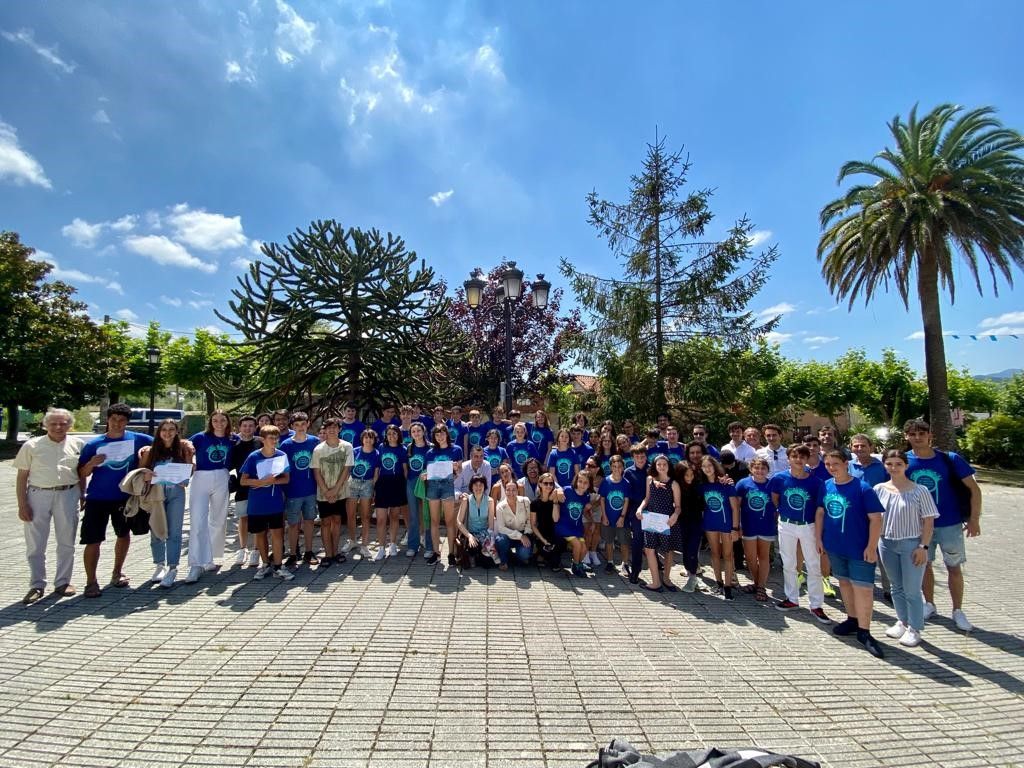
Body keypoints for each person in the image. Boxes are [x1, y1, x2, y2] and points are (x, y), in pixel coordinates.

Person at [904, 418, 982, 632]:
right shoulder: (903, 460)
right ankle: (929, 604)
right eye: (913, 434)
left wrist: (974, 519)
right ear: (906, 437)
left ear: (930, 436)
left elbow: (974, 489)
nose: (917, 437)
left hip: (949, 523)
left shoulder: (950, 459)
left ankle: (958, 610)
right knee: (924, 566)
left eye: (922, 433)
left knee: (954, 567)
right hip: (918, 526)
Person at [78, 403, 154, 598]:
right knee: (93, 540)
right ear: (108, 420)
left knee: (123, 535)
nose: (117, 424)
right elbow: (81, 472)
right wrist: (91, 465)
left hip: (124, 498)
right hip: (97, 498)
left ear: (127, 422)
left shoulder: (139, 439)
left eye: (122, 420)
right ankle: (91, 581)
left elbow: (164, 443)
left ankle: (117, 572)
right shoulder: (94, 444)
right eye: (114, 420)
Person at [817, 450, 884, 657]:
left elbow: (876, 519)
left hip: (859, 547)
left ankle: (865, 631)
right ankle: (852, 619)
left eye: (835, 463)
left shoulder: (862, 489)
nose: (831, 467)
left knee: (863, 589)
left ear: (846, 463)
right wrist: (819, 539)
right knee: (844, 583)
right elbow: (821, 512)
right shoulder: (826, 485)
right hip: (835, 546)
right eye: (827, 464)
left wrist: (872, 546)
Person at [14, 408, 84, 604]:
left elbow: (81, 473)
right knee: (36, 543)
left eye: (63, 423)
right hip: (38, 495)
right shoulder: (32, 445)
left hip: (68, 494)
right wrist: (22, 505)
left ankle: (63, 582)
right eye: (53, 423)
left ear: (70, 425)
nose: (58, 427)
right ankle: (37, 584)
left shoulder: (77, 444)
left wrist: (82, 494)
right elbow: (21, 477)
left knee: (66, 542)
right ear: (45, 425)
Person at [769, 444, 829, 622]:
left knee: (813, 564)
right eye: (794, 456)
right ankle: (792, 598)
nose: (798, 460)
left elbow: (819, 506)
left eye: (802, 457)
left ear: (806, 459)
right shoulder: (779, 478)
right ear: (788, 458)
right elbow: (775, 498)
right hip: (786, 524)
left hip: (808, 525)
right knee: (788, 562)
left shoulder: (815, 481)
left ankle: (816, 604)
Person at [139, 418, 195, 589]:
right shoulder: (151, 451)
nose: (168, 433)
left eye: (172, 429)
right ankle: (159, 565)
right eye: (164, 429)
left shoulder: (183, 449)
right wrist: (148, 476)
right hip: (157, 493)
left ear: (177, 432)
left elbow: (189, 470)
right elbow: (141, 473)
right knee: (156, 529)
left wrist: (187, 470)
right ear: (159, 432)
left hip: (176, 492)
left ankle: (172, 567)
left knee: (174, 531)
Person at [239, 425, 294, 581]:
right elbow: (243, 481)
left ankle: (278, 565)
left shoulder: (281, 455)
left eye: (276, 438)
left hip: (275, 502)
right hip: (257, 504)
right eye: (271, 438)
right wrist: (261, 481)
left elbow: (286, 478)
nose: (274, 441)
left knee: (277, 533)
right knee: (260, 534)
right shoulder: (254, 456)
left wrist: (274, 480)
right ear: (263, 440)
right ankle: (265, 565)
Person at [186, 409, 234, 583]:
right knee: (198, 520)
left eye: (222, 420)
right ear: (210, 422)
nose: (219, 423)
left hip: (222, 475)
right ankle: (195, 564)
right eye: (215, 420)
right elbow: (185, 447)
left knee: (219, 519)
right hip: (202, 476)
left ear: (228, 422)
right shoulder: (200, 437)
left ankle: (210, 557)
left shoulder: (231, 439)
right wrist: (190, 462)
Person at [635, 455, 682, 592]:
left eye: (664, 464)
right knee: (649, 549)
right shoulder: (649, 479)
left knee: (667, 551)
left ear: (668, 466)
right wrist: (640, 508)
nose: (661, 467)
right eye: (658, 464)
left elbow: (678, 506)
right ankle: (656, 581)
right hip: (651, 518)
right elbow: (647, 498)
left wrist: (675, 515)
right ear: (654, 466)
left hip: (667, 521)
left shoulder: (674, 484)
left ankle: (666, 579)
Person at [311, 417, 353, 567]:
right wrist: (326, 491)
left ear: (339, 429)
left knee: (337, 520)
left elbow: (347, 469)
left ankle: (335, 551)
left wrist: (335, 490)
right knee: (325, 522)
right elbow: (316, 472)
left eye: (335, 427)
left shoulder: (347, 447)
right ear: (325, 430)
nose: (332, 430)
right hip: (323, 492)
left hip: (341, 491)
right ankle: (327, 554)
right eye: (329, 427)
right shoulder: (318, 449)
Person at [281, 412, 320, 569]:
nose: (300, 427)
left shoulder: (314, 442)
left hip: (310, 489)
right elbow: (283, 469)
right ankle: (292, 553)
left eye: (303, 424)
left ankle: (309, 551)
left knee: (309, 521)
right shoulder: (286, 445)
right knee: (293, 524)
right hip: (293, 490)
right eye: (296, 425)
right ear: (292, 426)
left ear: (308, 424)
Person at [735, 457, 777, 602]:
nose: (760, 471)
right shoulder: (743, 484)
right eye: (756, 468)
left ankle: (761, 586)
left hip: (766, 526)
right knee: (751, 557)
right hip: (748, 525)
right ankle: (756, 581)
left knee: (764, 556)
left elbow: (777, 505)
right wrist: (737, 525)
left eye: (763, 468)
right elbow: (737, 506)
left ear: (767, 470)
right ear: (751, 469)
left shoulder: (772, 485)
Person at [699, 456, 739, 600]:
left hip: (726, 524)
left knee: (728, 555)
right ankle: (719, 583)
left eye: (710, 465)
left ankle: (728, 586)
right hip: (710, 524)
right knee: (715, 553)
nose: (707, 469)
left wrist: (735, 527)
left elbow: (735, 508)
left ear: (715, 466)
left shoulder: (726, 484)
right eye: (704, 467)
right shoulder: (702, 486)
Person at [423, 424, 463, 566]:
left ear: (447, 434)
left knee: (449, 521)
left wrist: (456, 468)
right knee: (434, 521)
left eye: (442, 433)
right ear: (434, 437)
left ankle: (451, 553)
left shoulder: (456, 449)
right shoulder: (430, 452)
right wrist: (425, 476)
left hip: (448, 485)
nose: (440, 436)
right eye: (437, 434)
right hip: (433, 486)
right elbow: (426, 472)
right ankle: (436, 553)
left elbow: (459, 472)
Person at [229, 416, 261, 567]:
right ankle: (243, 548)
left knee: (256, 518)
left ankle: (256, 550)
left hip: (259, 486)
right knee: (243, 518)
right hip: (242, 486)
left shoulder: (260, 442)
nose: (247, 429)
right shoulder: (234, 445)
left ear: (255, 427)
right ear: (239, 427)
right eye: (244, 426)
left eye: (250, 426)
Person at [373, 424, 407, 560]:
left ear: (398, 435)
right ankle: (381, 547)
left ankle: (392, 544)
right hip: (383, 483)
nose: (392, 436)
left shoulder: (403, 449)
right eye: (389, 434)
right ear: (385, 436)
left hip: (397, 483)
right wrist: (374, 485)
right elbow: (377, 467)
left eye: (394, 433)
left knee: (394, 516)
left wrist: (404, 487)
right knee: (381, 519)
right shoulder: (381, 448)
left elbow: (405, 470)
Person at [346, 429, 380, 560]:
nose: (368, 440)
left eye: (371, 437)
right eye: (365, 437)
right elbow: (348, 469)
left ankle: (364, 544)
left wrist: (372, 486)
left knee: (365, 516)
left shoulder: (376, 453)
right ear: (362, 439)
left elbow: (376, 473)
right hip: (353, 483)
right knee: (351, 515)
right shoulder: (354, 451)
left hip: (367, 483)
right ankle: (352, 540)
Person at [554, 470, 593, 576]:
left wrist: (591, 519)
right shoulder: (567, 490)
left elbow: (583, 511)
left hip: (576, 527)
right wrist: (558, 491)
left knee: (584, 548)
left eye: (585, 483)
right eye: (580, 481)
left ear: (589, 484)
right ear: (576, 481)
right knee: (577, 545)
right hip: (564, 526)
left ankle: (578, 563)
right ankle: (576, 566)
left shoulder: (586, 496)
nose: (582, 485)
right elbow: (557, 490)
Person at [598, 455, 631, 574]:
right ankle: (610, 562)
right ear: (611, 467)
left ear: (623, 467)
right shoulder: (606, 481)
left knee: (624, 542)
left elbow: (626, 500)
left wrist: (622, 517)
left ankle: (625, 563)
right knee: (609, 541)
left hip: (621, 518)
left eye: (619, 466)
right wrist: (604, 516)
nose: (617, 469)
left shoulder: (626, 483)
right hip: (608, 517)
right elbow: (602, 499)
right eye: (614, 466)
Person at [456, 474, 495, 568]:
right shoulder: (466, 500)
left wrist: (488, 540)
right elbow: (458, 521)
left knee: (488, 565)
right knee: (473, 545)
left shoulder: (490, 501)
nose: (478, 487)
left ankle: (479, 556)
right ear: (471, 486)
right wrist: (469, 536)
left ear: (485, 487)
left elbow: (491, 524)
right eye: (475, 485)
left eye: (481, 485)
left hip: (484, 534)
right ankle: (472, 555)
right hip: (470, 533)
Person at [623, 446, 649, 584]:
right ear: (633, 457)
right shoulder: (628, 472)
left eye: (643, 456)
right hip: (635, 511)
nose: (640, 459)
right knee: (638, 540)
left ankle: (658, 570)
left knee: (652, 541)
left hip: (652, 510)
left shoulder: (652, 470)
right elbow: (626, 494)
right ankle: (636, 570)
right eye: (637, 457)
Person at [406, 422, 432, 557]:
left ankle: (429, 546)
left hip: (427, 483)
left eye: (418, 431)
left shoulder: (431, 447)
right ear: (411, 434)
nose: (416, 433)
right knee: (414, 515)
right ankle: (413, 545)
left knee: (427, 515)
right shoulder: (409, 448)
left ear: (423, 431)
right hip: (412, 482)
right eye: (413, 431)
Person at [495, 479, 533, 569]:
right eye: (508, 490)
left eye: (514, 490)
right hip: (508, 536)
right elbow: (501, 528)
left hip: (524, 534)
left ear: (517, 490)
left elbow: (530, 520)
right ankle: (504, 560)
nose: (511, 492)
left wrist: (526, 534)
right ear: (505, 490)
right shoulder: (500, 506)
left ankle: (514, 557)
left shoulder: (525, 501)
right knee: (501, 539)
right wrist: (519, 536)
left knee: (525, 554)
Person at [531, 473, 563, 570]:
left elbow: (556, 519)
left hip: (554, 534)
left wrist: (554, 502)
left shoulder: (555, 500)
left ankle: (544, 557)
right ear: (540, 484)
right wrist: (543, 540)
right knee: (547, 551)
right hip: (542, 536)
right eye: (545, 483)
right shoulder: (535, 503)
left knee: (555, 561)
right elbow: (533, 525)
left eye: (551, 483)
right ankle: (541, 555)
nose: (548, 486)